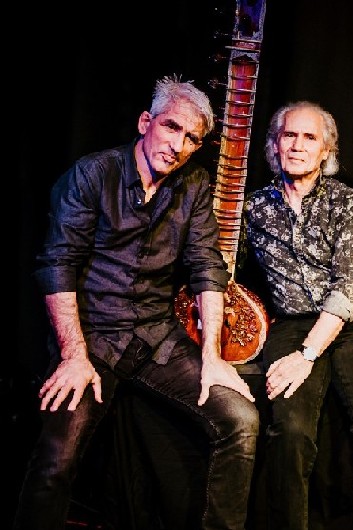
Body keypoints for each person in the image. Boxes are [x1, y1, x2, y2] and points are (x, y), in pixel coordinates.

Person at [13, 75, 259, 530]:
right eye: (171, 127)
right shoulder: (94, 174)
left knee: (240, 419)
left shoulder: (194, 184)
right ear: (146, 122)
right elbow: (58, 263)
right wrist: (73, 355)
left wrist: (212, 357)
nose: (178, 145)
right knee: (56, 459)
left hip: (155, 336)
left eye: (191, 138)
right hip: (93, 337)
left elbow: (207, 267)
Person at [243, 100, 353, 530]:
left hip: (347, 326)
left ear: (326, 150)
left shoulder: (348, 201)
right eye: (289, 135)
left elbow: (349, 286)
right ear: (275, 145)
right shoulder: (253, 208)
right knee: (291, 431)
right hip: (291, 323)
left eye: (309, 137)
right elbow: (224, 269)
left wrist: (307, 355)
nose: (298, 145)